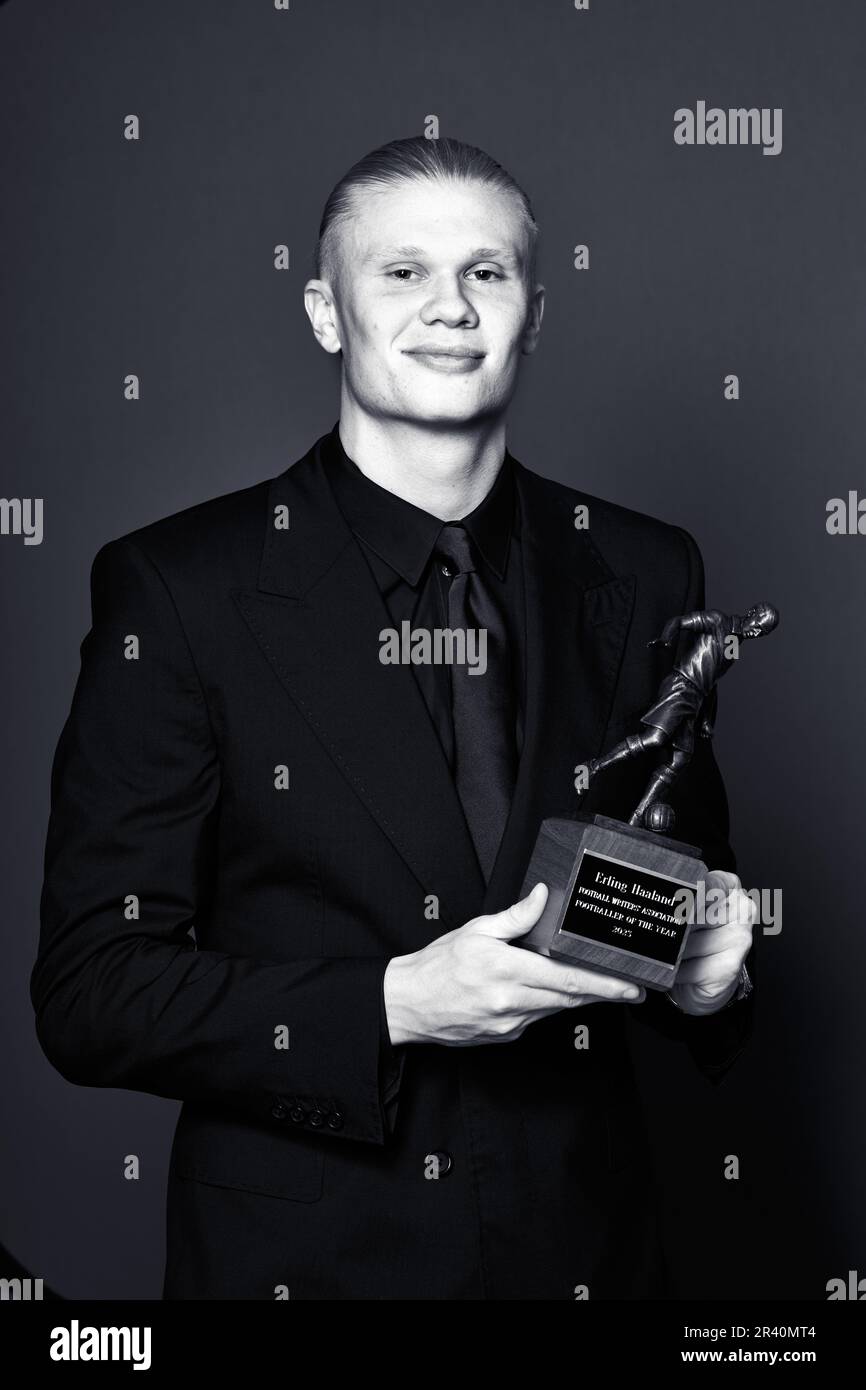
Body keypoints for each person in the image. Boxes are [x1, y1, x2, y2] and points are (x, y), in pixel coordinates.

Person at [32, 135, 756, 1301]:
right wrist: (390, 1003)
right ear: (327, 313)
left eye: (487, 273)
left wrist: (710, 976)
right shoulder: (179, 589)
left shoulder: (641, 569)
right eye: (402, 273)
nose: (451, 308)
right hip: (304, 1272)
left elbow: (670, 884)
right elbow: (91, 990)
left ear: (533, 314)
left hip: (588, 1261)